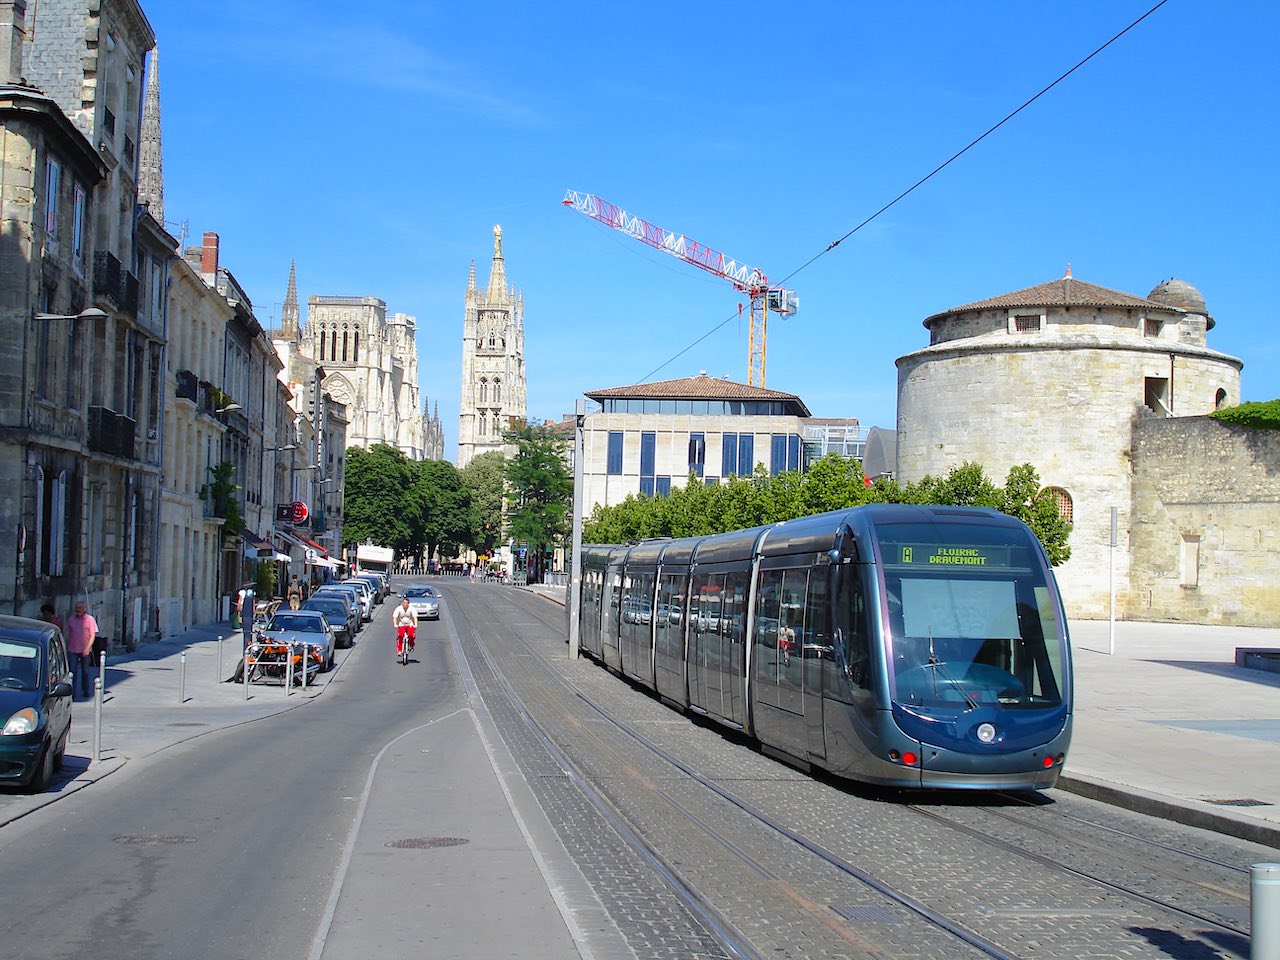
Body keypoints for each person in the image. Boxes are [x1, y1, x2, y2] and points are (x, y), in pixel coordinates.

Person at [65, 601, 98, 699]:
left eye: (79, 608)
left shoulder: (90, 619)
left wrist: (88, 648)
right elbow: (68, 632)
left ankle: (85, 690)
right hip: (73, 649)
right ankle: (72, 693)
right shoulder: (71, 620)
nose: (77, 610)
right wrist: (69, 643)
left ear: (84, 609)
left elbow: (93, 635)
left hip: (85, 650)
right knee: (72, 672)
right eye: (76, 608)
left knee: (85, 672)